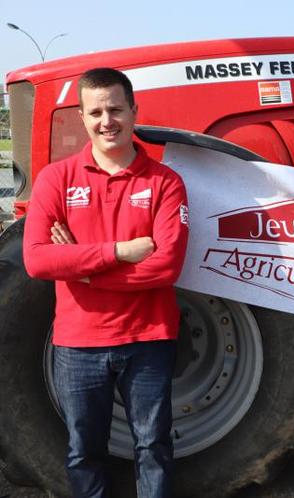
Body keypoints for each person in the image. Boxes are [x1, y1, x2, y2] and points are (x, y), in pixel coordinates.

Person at [23, 67, 189, 498]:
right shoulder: (56, 180)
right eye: (95, 111)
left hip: (149, 338)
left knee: (153, 447)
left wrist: (79, 269)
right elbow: (38, 260)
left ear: (134, 111)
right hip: (78, 343)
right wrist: (119, 252)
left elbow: (166, 266)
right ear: (82, 116)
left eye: (115, 108)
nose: (106, 120)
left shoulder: (166, 182)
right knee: (84, 450)